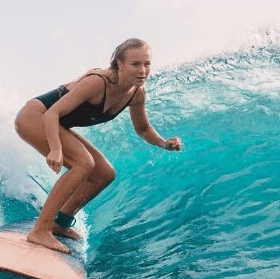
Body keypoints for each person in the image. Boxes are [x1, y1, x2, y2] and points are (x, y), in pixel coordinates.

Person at [14, 38, 182, 253]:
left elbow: (143, 129)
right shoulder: (98, 82)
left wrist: (164, 143)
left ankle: (60, 223)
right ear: (119, 64)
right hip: (35, 116)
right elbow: (53, 112)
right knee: (83, 163)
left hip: (55, 123)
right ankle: (40, 230)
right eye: (135, 64)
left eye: (147, 64)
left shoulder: (136, 93)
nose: (143, 70)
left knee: (104, 173)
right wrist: (56, 149)